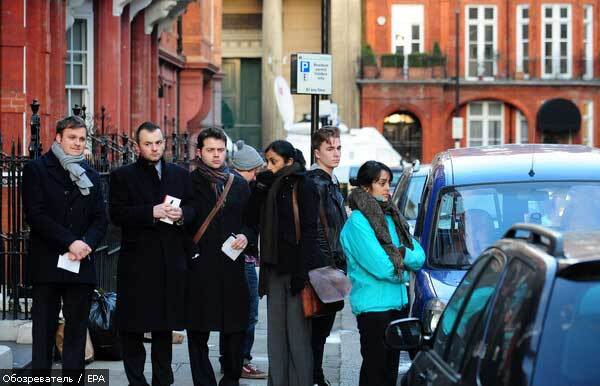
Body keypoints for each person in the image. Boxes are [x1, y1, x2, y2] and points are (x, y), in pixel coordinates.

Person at [109, 122, 194, 386]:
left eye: (158, 142)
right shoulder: (122, 176)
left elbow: (193, 207)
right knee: (132, 328)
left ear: (164, 143)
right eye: (148, 143)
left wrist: (182, 215)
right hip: (136, 264)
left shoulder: (181, 174)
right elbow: (116, 214)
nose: (154, 148)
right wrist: (151, 212)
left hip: (170, 262)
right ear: (138, 146)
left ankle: (163, 380)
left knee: (163, 328)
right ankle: (136, 381)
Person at [22, 116, 108, 377]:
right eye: (72, 137)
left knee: (76, 334)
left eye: (82, 139)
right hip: (48, 262)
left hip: (81, 263)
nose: (78, 143)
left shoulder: (91, 174)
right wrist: (70, 241)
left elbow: (100, 218)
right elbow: (35, 215)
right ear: (58, 137)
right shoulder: (37, 169)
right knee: (43, 334)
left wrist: (86, 245)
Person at [340, 161, 425, 386]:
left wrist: (402, 254)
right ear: (366, 187)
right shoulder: (357, 223)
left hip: (397, 305)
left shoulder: (392, 216)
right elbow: (382, 267)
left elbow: (419, 256)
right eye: (382, 183)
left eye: (389, 183)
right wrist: (405, 273)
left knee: (390, 371)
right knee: (375, 370)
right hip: (373, 309)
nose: (388, 188)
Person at [247, 140, 320, 386]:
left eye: (273, 162)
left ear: (289, 162)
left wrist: (303, 272)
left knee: (298, 337)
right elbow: (250, 218)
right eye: (267, 161)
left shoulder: (305, 185)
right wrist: (258, 189)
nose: (268, 166)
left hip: (297, 271)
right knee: (276, 337)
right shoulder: (268, 185)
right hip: (273, 269)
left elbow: (310, 231)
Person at [186, 128, 253, 386]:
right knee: (198, 328)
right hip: (200, 265)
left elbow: (251, 223)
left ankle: (231, 377)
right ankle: (203, 381)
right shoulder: (188, 183)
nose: (216, 155)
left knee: (235, 325)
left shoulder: (238, 184)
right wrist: (190, 253)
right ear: (200, 152)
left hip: (232, 265)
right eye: (211, 150)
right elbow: (180, 224)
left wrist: (246, 237)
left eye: (221, 150)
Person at [218, 140, 267, 379]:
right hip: (242, 258)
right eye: (256, 170)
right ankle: (241, 359)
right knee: (249, 311)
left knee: (235, 311)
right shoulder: (242, 187)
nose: (257, 175)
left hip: (233, 257)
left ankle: (230, 358)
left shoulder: (228, 183)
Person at [306, 127, 347, 386]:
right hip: (324, 266)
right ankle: (314, 376)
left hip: (332, 265)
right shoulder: (317, 183)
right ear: (317, 152)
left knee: (321, 330)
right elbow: (316, 229)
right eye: (330, 148)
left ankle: (315, 375)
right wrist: (326, 264)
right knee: (318, 331)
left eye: (339, 148)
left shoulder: (330, 183)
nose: (336, 153)